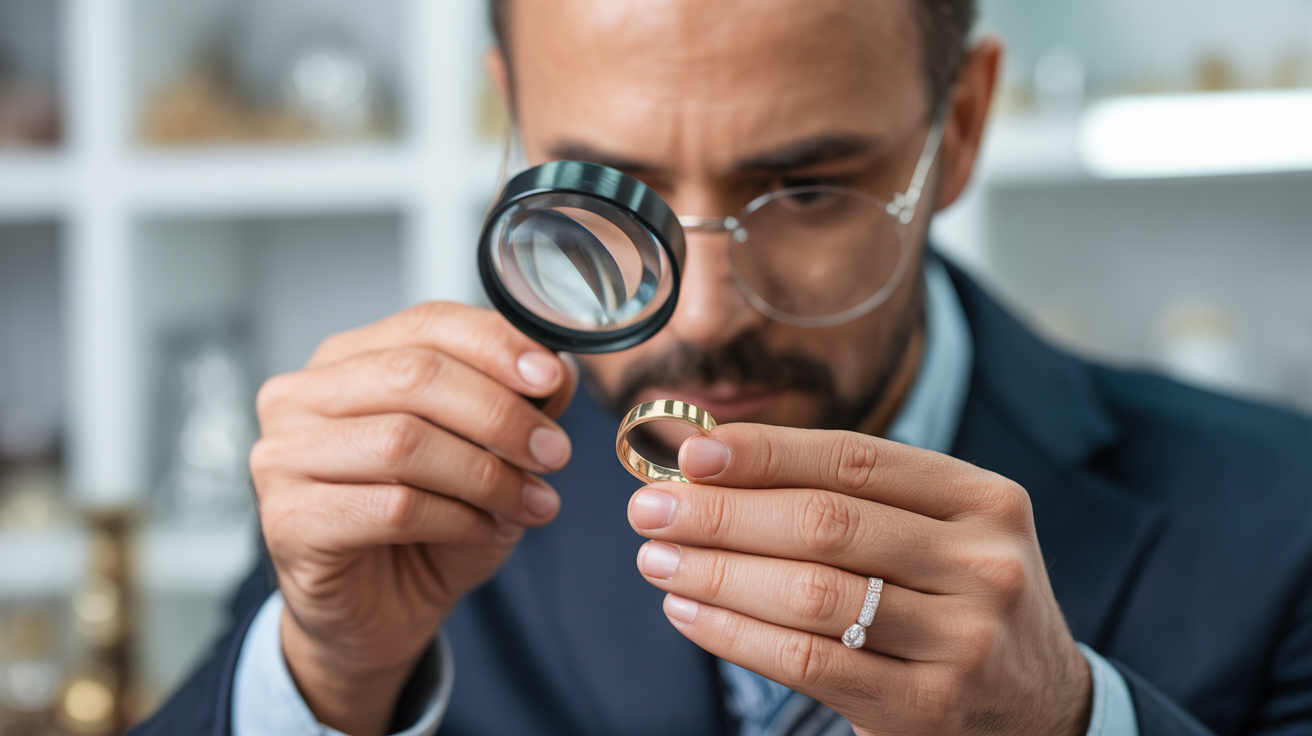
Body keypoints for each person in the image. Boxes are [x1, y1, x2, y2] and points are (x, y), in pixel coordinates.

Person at [130, 1, 1312, 735]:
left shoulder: (1281, 520)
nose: (694, 316)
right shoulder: (408, 499)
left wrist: (1068, 725)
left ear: (956, 132)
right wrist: (326, 673)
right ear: (516, 121)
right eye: (606, 188)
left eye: (804, 189)